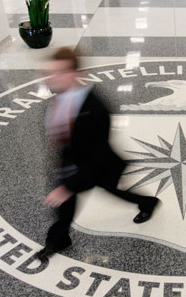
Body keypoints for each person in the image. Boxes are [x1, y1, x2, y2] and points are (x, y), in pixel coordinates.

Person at [37, 47, 159, 261]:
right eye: (51, 73)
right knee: (64, 209)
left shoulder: (95, 108)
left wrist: (67, 187)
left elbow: (98, 155)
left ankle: (148, 203)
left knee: (114, 191)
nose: (53, 78)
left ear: (75, 74)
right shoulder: (59, 98)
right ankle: (58, 241)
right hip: (72, 163)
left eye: (59, 73)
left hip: (98, 166)